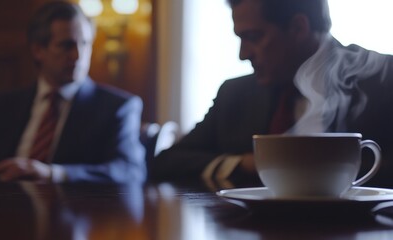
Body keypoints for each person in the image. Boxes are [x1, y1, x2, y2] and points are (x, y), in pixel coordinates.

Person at [150, 0, 393, 188]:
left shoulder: (384, 81)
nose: (243, 55)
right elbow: (167, 163)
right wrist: (243, 164)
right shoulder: (235, 94)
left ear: (298, 28)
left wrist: (322, 170)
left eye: (253, 37)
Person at [0, 1, 146, 183]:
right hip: (0, 206)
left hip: (72, 208)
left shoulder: (116, 107)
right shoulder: (2, 105)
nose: (78, 56)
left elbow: (130, 171)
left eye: (85, 44)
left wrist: (53, 174)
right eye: (66, 45)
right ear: (38, 50)